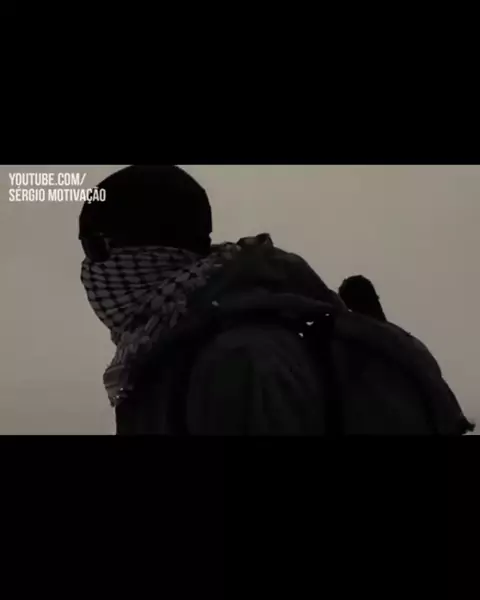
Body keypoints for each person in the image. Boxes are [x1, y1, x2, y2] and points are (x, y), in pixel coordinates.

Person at [79, 165, 472, 435]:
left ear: (149, 247)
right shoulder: (168, 351)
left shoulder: (240, 359)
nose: (89, 269)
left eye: (96, 248)